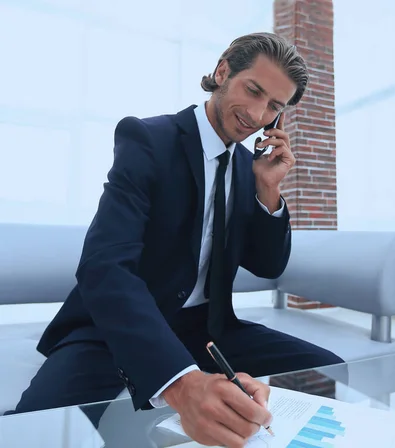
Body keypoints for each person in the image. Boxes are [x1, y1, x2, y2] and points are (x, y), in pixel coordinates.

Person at [7, 32, 344, 448]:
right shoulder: (148, 141)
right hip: (118, 327)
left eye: (274, 106)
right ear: (223, 71)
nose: (258, 114)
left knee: (332, 372)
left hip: (209, 330)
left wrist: (268, 192)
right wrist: (181, 383)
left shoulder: (249, 165)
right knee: (33, 432)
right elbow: (104, 266)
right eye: (253, 91)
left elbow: (269, 266)